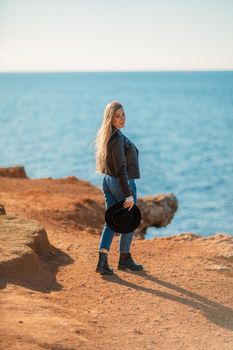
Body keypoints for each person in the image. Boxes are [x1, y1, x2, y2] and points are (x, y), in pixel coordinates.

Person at [94, 100, 144, 275]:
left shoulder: (108, 136)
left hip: (108, 181)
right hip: (122, 183)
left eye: (123, 115)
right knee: (129, 220)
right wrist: (128, 195)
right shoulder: (117, 139)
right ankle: (124, 259)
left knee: (112, 220)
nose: (122, 119)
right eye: (117, 116)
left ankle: (102, 260)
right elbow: (121, 169)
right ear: (110, 118)